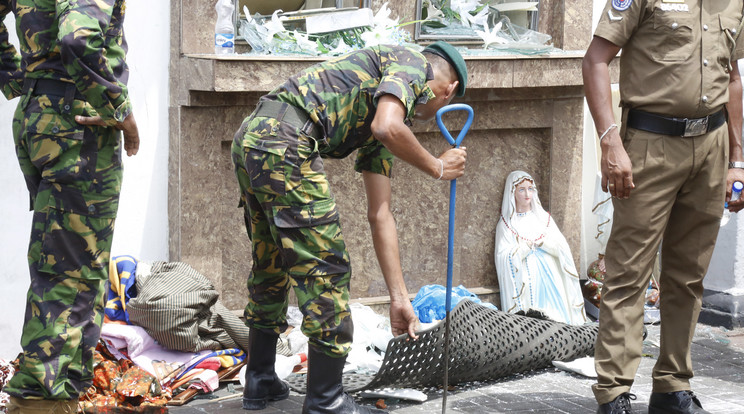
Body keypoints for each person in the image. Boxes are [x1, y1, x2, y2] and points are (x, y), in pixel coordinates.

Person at [231, 41, 467, 413]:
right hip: (285, 141)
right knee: (326, 268)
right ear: (450, 91)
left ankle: (260, 380)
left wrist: (399, 297)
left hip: (255, 135)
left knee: (271, 263)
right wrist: (437, 167)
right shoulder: (412, 64)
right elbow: (387, 127)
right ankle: (326, 401)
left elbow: (380, 214)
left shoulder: (388, 101)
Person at [583, 1, 744, 413]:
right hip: (650, 145)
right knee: (629, 273)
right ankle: (614, 393)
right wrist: (609, 141)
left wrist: (737, 159)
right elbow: (596, 60)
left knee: (689, 275)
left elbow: (732, 76)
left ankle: (673, 385)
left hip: (711, 144)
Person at [0, 0, 139, 412]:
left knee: (74, 264)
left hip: (44, 119)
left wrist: (18, 82)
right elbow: (77, 37)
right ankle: (40, 401)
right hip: (77, 126)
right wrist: (118, 107)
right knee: (70, 273)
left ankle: (65, 393)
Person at [494, 170, 586, 325]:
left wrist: (545, 244)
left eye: (530, 189)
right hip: (527, 278)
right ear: (512, 192)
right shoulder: (506, 224)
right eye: (521, 189)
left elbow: (562, 247)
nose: (527, 194)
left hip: (551, 274)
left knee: (556, 308)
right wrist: (523, 249)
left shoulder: (544, 218)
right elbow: (503, 256)